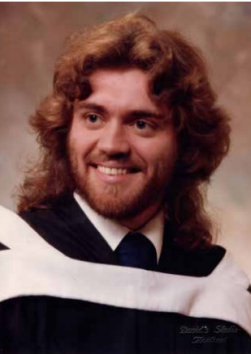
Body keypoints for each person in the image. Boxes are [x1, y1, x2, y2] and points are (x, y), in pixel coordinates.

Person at [0, 12, 250, 354]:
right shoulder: (14, 265)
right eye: (93, 117)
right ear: (65, 131)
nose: (112, 145)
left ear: (184, 143)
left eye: (142, 123)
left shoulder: (220, 294)